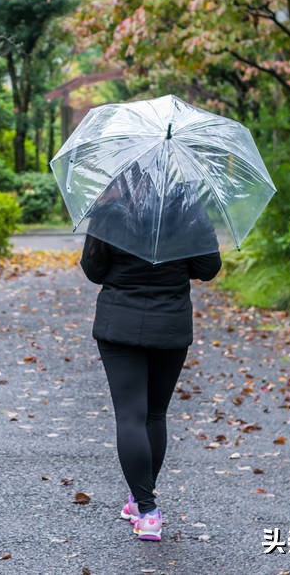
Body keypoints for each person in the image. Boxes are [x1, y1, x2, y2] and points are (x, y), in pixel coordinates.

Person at [79, 183, 221, 542]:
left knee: (131, 415)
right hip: (169, 326)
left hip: (119, 327)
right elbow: (208, 267)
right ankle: (144, 504)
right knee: (155, 414)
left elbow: (94, 270)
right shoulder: (188, 210)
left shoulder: (110, 211)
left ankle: (145, 507)